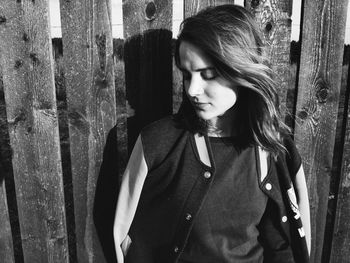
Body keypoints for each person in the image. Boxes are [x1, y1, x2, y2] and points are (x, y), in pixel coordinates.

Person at [110, 4, 310, 263]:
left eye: (208, 75)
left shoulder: (274, 150)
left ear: (241, 71)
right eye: (186, 75)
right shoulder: (156, 143)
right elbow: (119, 235)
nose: (192, 90)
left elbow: (290, 244)